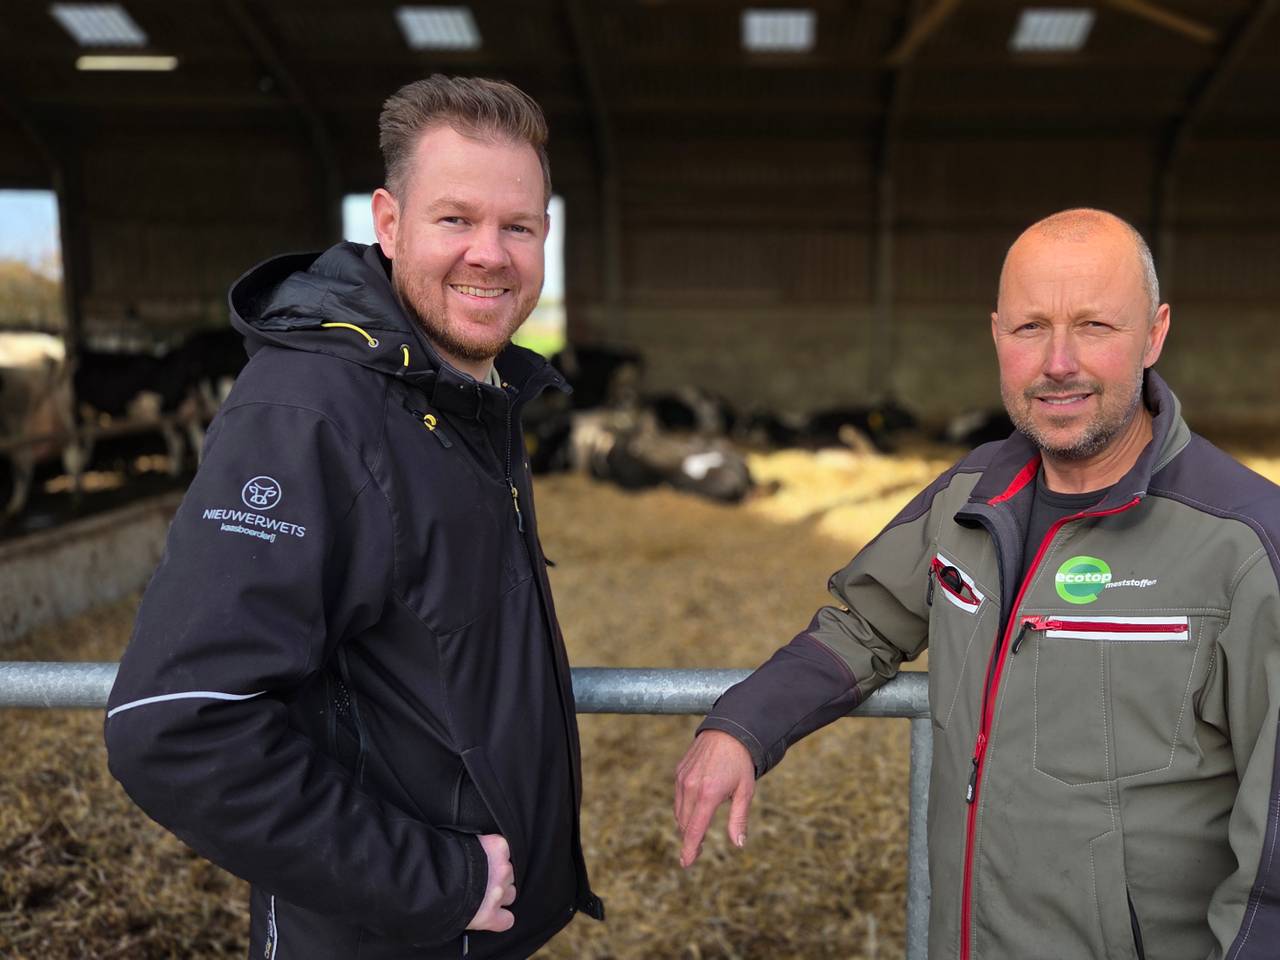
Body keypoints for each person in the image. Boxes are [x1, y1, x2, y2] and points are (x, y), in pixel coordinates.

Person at [674, 208, 1280, 959]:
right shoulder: (968, 495)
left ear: (1154, 334)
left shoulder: (1245, 543)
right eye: (1030, 328)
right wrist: (742, 726)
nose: (1058, 361)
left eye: (1094, 326)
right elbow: (863, 624)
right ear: (997, 334)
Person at [105, 74, 603, 959]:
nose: (490, 253)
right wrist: (431, 882)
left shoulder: (467, 395)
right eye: (456, 219)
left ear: (545, 236)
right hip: (377, 936)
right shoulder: (309, 410)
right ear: (387, 220)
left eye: (517, 226)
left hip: (476, 930)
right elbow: (179, 722)